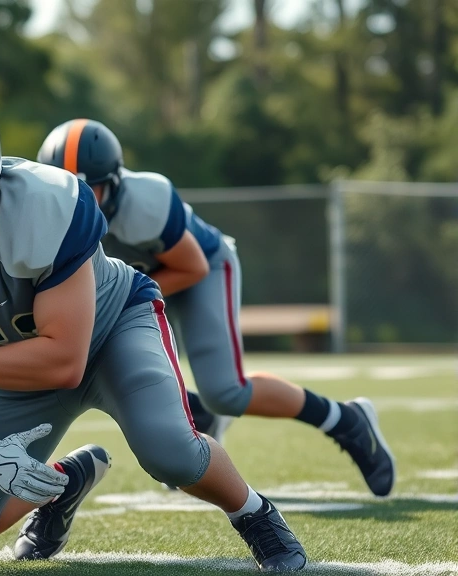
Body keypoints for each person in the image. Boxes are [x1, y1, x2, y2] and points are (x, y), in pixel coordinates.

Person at [0, 84, 307, 571]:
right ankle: (65, 483)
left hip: (111, 333)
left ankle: (254, 513)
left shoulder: (45, 203)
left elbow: (64, 361)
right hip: (10, 367)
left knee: (168, 450)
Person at [37, 119, 395, 497]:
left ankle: (345, 420)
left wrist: (122, 301)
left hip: (197, 270)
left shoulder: (146, 203)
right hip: (135, 284)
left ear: (114, 181)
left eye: (89, 187)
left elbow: (192, 266)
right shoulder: (40, 212)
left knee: (227, 391)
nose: (79, 199)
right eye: (67, 186)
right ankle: (198, 414)